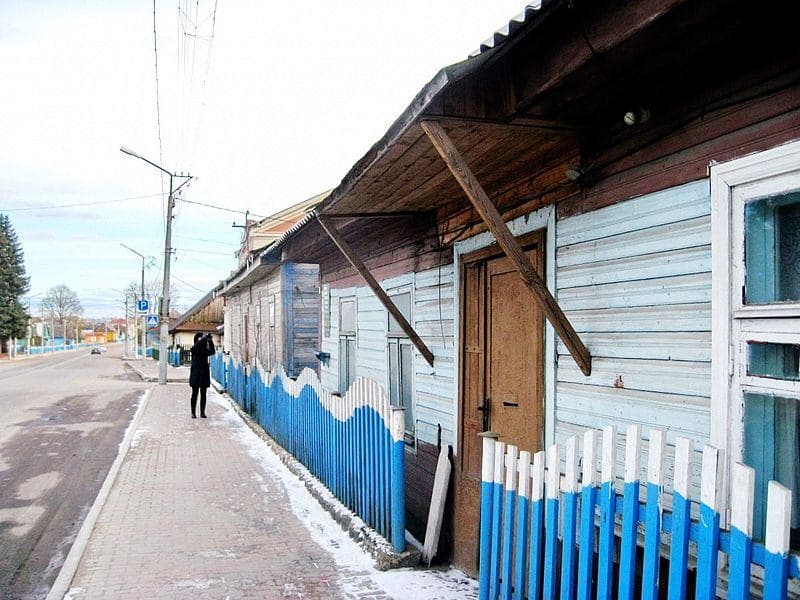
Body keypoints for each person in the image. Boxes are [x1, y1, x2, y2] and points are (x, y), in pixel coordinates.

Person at [189, 332, 215, 418]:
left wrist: (210, 341)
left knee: (203, 394)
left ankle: (202, 412)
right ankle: (193, 412)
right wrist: (204, 338)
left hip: (204, 373)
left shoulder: (205, 350)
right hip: (196, 374)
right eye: (199, 340)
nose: (201, 341)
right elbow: (197, 345)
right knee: (194, 393)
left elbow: (212, 351)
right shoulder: (194, 349)